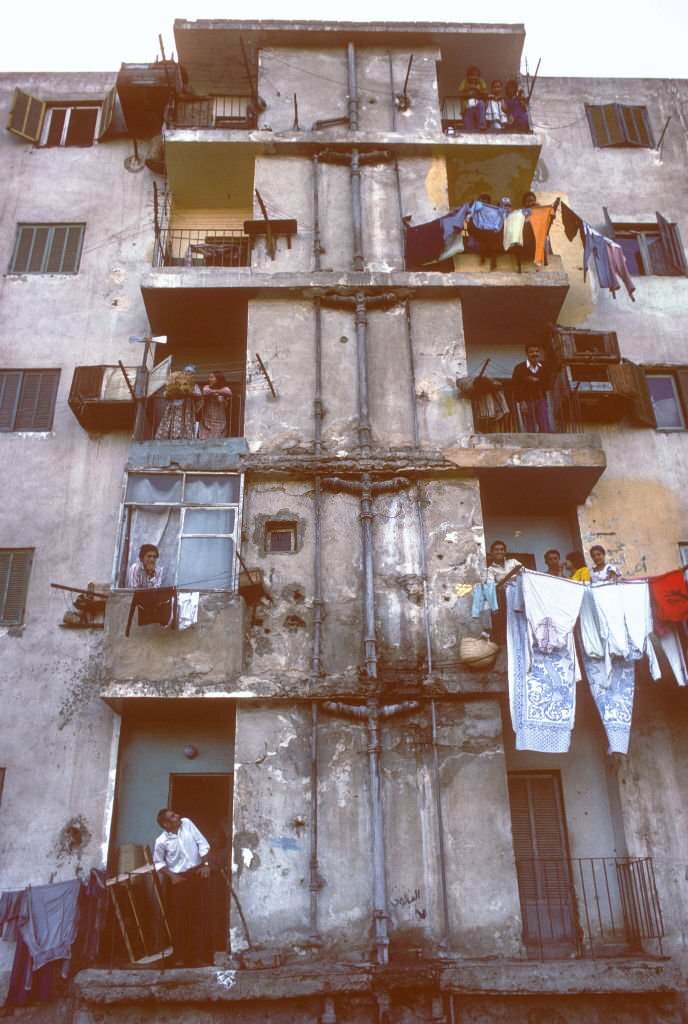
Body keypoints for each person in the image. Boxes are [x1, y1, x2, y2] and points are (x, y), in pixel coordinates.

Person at [153, 809, 211, 967]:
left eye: (175, 814)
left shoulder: (187, 823)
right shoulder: (161, 841)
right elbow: (158, 863)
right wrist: (173, 877)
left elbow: (202, 843)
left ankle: (200, 958)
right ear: (166, 824)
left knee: (200, 915)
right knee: (180, 919)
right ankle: (181, 958)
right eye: (173, 816)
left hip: (197, 874)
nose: (177, 816)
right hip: (180, 881)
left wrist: (205, 864)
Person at [511, 344, 554, 433]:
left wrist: (537, 381)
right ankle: (532, 446)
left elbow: (549, 384)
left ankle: (546, 445)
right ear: (527, 354)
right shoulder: (519, 368)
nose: (534, 354)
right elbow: (515, 386)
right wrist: (522, 402)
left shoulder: (544, 367)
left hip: (541, 399)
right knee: (530, 426)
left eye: (537, 351)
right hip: (526, 401)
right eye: (531, 352)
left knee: (544, 424)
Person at [486, 540, 522, 644]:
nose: (499, 552)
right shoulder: (491, 570)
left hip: (519, 596)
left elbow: (524, 573)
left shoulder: (514, 562)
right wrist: (501, 585)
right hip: (505, 600)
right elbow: (491, 586)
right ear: (492, 553)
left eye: (502, 549)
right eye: (496, 550)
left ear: (505, 552)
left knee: (520, 623)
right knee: (507, 624)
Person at [155, 365, 202, 440]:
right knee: (173, 419)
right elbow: (166, 393)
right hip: (174, 406)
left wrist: (189, 392)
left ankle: (185, 436)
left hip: (187, 407)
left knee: (186, 421)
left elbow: (199, 394)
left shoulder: (194, 385)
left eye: (191, 373)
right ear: (183, 372)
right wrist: (174, 392)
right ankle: (170, 435)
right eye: (187, 372)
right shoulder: (175, 381)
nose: (188, 374)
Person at [198, 371, 232, 440]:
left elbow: (228, 392)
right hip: (207, 420)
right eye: (209, 377)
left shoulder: (224, 388)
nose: (209, 379)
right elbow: (205, 391)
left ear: (218, 378)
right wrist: (217, 392)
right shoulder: (207, 387)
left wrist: (215, 391)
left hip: (220, 421)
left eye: (212, 377)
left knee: (218, 441)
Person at [457, 65, 488, 131]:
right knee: (469, 128)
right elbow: (460, 93)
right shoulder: (464, 82)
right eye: (471, 75)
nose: (473, 77)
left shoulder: (481, 82)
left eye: (476, 75)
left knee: (481, 103)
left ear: (479, 77)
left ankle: (482, 124)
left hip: (478, 107)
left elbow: (485, 94)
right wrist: (469, 90)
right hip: (467, 107)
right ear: (468, 76)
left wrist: (477, 89)